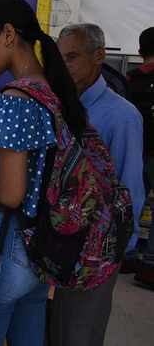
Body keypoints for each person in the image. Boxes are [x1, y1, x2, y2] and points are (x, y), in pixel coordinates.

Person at [0, 0, 88, 346]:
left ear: (9, 34)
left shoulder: (14, 100)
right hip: (45, 243)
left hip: (13, 244)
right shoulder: (49, 91)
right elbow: (35, 166)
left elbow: (11, 194)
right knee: (30, 324)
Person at [53, 23, 145, 345]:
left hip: (97, 252)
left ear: (99, 56)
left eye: (72, 57)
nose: (64, 67)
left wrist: (118, 249)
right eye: (60, 58)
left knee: (81, 332)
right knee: (57, 327)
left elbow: (130, 186)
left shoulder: (121, 116)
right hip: (60, 244)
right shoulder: (63, 106)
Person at [129, 27, 154, 288]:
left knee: (131, 201)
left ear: (139, 51)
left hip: (136, 153)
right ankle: (149, 266)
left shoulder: (130, 79)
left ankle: (126, 254)